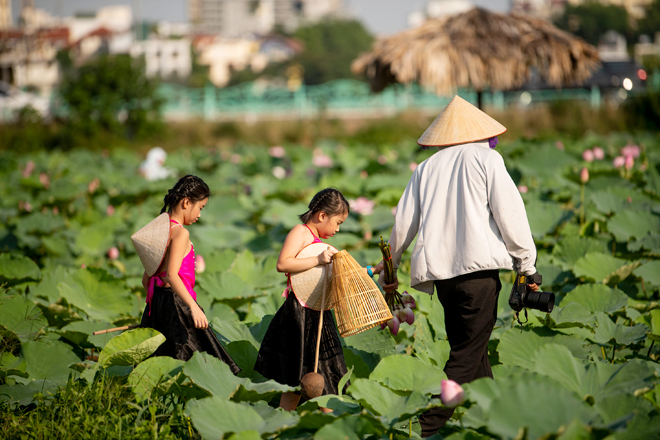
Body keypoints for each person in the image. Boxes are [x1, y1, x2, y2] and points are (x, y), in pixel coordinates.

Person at [380, 96, 541, 437]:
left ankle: (499, 425)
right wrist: (527, 266)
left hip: (443, 279)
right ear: (480, 132)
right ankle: (422, 429)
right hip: (479, 275)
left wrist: (388, 266)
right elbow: (510, 215)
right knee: (466, 357)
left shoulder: (425, 169)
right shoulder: (487, 158)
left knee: (472, 354)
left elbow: (404, 224)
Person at [254, 188, 384, 412]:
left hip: (320, 313)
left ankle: (329, 425)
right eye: (337, 222)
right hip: (297, 314)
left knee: (330, 374)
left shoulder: (325, 247)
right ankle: (284, 426)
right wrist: (317, 259)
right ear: (322, 216)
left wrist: (373, 270)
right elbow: (283, 264)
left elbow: (345, 275)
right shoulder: (301, 233)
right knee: (294, 381)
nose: (338, 228)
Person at [132, 175, 239, 374]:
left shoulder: (161, 230)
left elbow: (146, 279)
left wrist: (157, 305)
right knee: (203, 363)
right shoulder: (181, 234)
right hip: (178, 304)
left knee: (161, 359)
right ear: (186, 202)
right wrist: (193, 307)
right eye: (200, 207)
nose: (199, 214)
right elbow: (172, 275)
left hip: (157, 303)